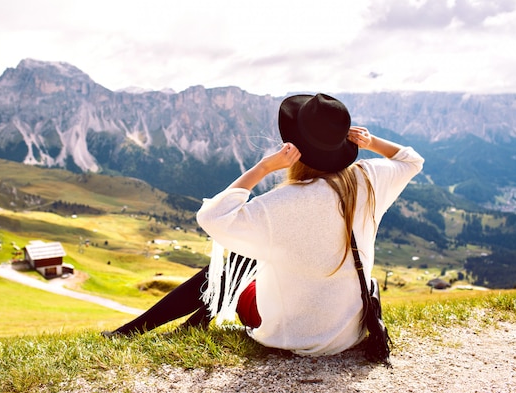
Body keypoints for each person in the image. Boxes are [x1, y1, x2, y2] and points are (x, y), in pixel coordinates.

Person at [102, 93, 424, 357]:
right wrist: (370, 142)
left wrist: (265, 166)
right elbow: (412, 161)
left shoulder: (281, 205)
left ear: (294, 149)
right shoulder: (367, 178)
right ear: (344, 144)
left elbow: (211, 217)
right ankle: (188, 325)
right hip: (348, 332)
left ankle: (134, 330)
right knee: (247, 258)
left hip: (292, 336)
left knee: (235, 266)